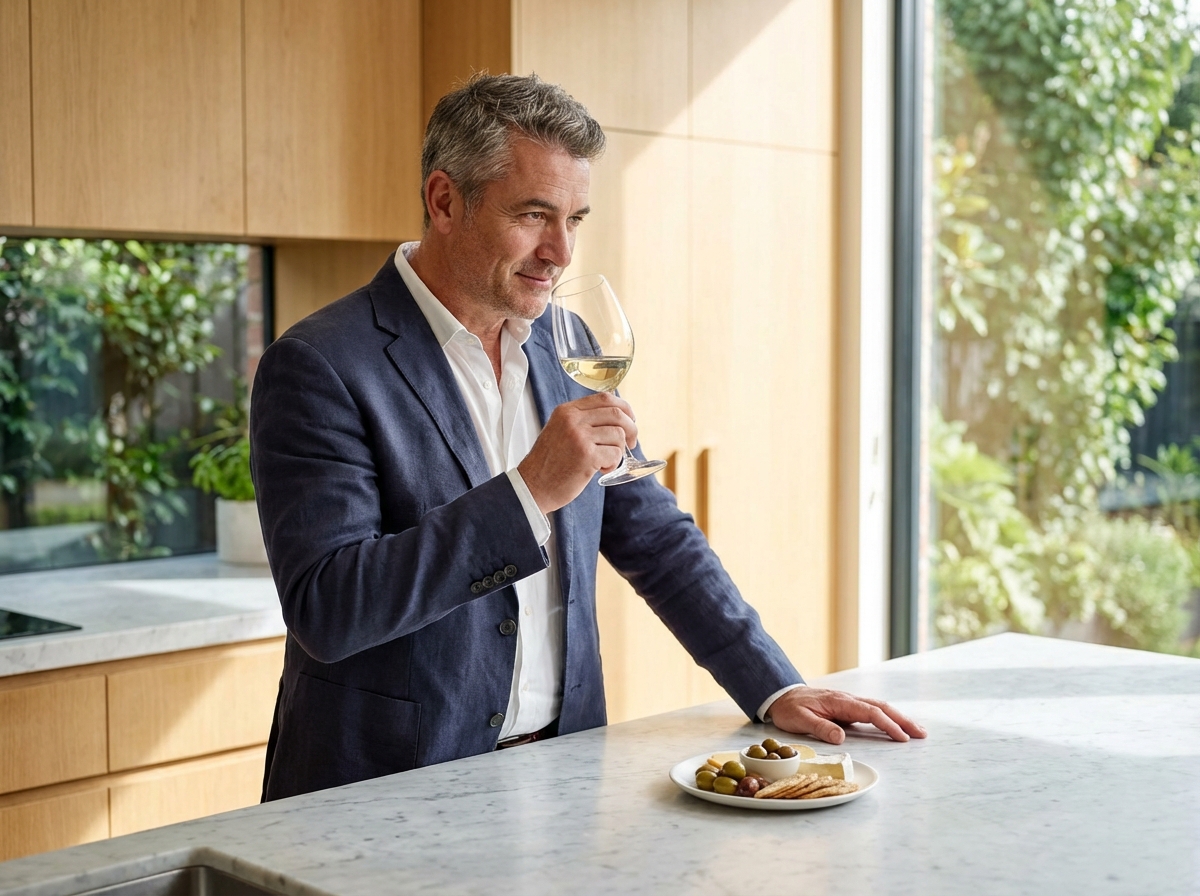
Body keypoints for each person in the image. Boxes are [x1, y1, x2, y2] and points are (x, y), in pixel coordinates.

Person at [250, 73, 924, 802]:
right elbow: (330, 609)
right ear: (445, 201)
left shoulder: (565, 341)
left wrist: (773, 686)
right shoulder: (319, 365)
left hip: (559, 781)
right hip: (381, 797)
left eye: (576, 218)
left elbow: (654, 538)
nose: (560, 251)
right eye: (535, 214)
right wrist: (531, 490)